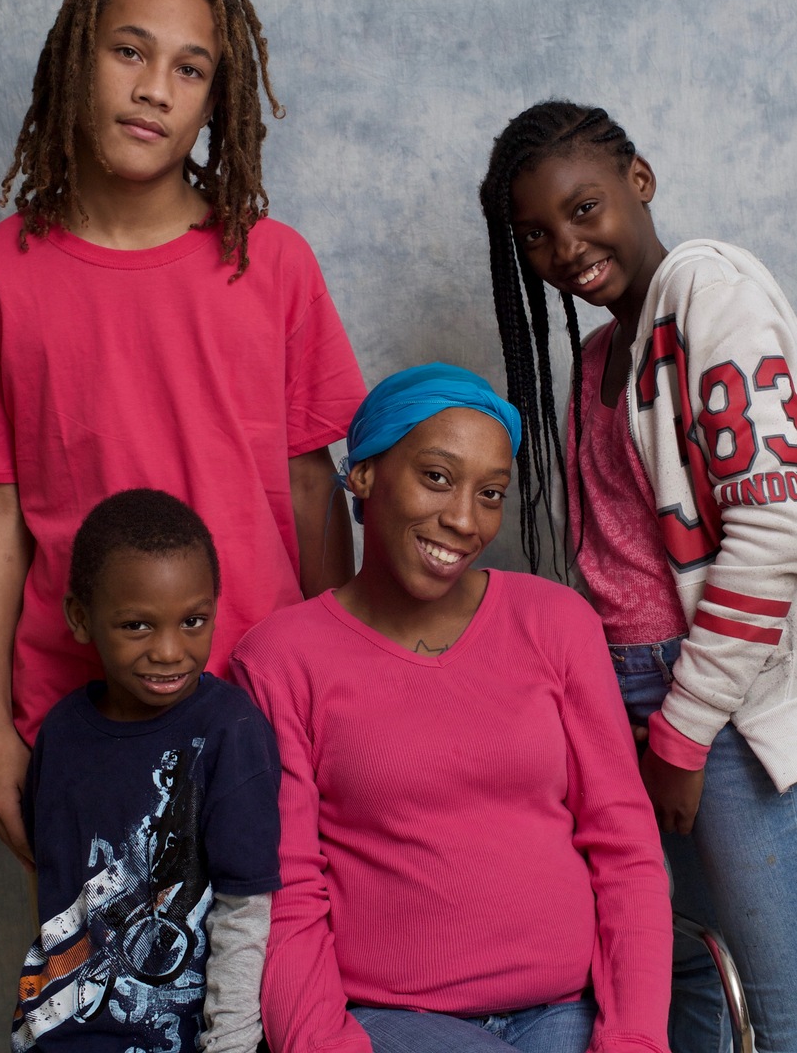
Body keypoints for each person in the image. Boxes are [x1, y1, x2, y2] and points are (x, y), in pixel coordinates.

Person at [0, 0, 364, 871]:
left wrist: (345, 684)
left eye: (190, 68)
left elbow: (310, 489)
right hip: (78, 706)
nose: (154, 89)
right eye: (128, 52)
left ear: (216, 101)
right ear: (75, 60)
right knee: (101, 1000)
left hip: (262, 693)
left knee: (270, 992)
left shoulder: (273, 264)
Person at [229, 362, 673, 1053]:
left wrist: (634, 1038)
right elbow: (286, 890)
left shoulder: (555, 623)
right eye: (436, 477)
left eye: (490, 493)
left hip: (567, 1013)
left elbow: (626, 850)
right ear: (365, 474)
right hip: (395, 1024)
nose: (465, 521)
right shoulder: (279, 660)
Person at [481, 99, 797, 1053]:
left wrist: (683, 735)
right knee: (684, 968)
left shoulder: (711, 292)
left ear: (639, 181)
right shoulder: (596, 357)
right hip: (619, 698)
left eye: (583, 210)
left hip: (712, 701)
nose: (563, 249)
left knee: (778, 994)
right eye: (533, 235)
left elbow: (772, 532)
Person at [12, 488, 281, 1052]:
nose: (169, 651)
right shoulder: (60, 735)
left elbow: (245, 915)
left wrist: (230, 1045)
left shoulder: (231, 731)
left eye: (193, 621)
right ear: (81, 619)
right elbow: (56, 890)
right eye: (137, 626)